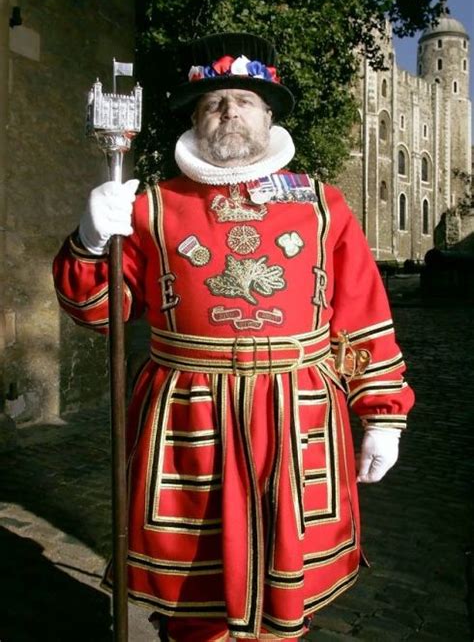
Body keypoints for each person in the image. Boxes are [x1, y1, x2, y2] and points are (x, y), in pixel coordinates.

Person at [53, 33, 414, 641]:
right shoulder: (151, 206)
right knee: (194, 587)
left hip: (296, 417)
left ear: (268, 114)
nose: (229, 111)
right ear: (195, 118)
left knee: (284, 581)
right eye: (214, 101)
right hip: (187, 420)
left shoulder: (324, 207)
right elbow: (97, 311)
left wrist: (381, 414)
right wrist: (90, 241)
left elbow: (361, 315)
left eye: (244, 100)